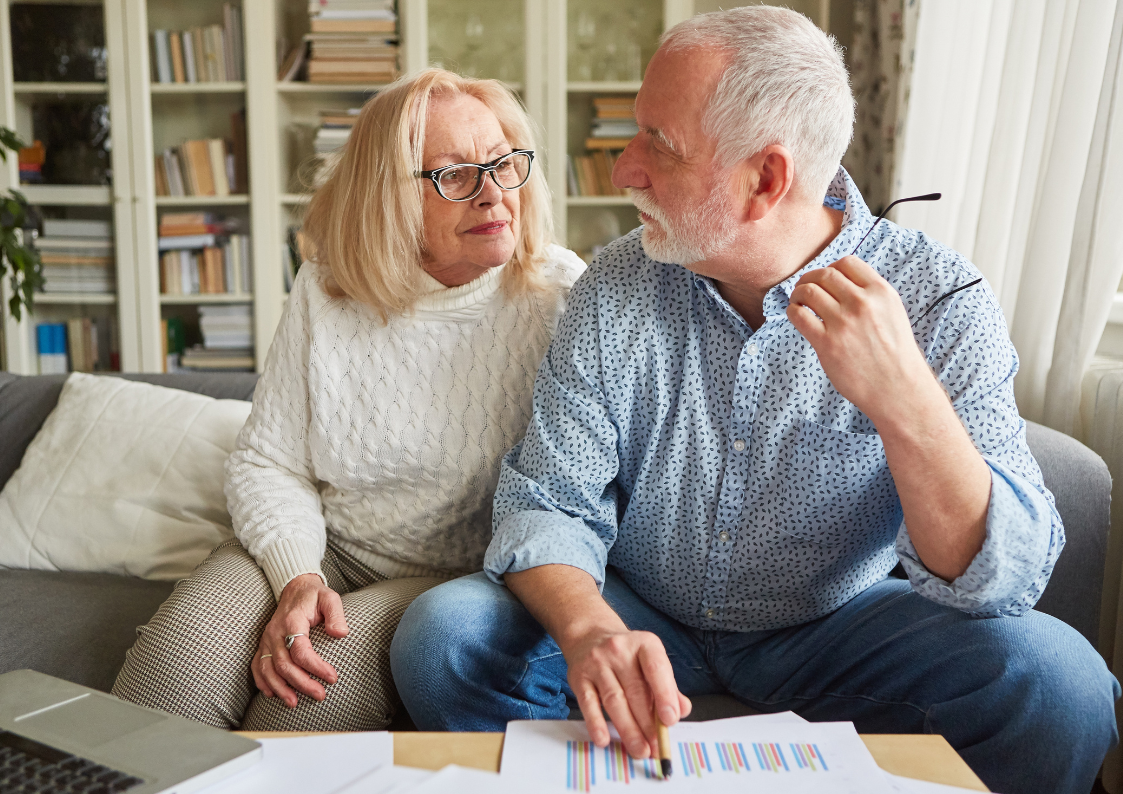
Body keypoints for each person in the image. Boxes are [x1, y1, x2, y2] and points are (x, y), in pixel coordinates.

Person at [389, 9, 1120, 794]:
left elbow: (999, 582)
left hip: (841, 624)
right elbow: (548, 502)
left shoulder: (938, 299)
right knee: (444, 639)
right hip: (643, 608)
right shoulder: (613, 287)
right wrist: (591, 628)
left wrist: (904, 399)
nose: (621, 169)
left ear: (765, 179)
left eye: (657, 145)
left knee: (1060, 686)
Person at [111, 68, 585, 732]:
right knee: (170, 676)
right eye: (453, 175)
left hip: (454, 580)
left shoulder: (562, 296)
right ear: (387, 196)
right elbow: (269, 462)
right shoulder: (326, 287)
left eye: (503, 163)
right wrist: (297, 577)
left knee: (296, 702)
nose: (492, 194)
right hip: (327, 547)